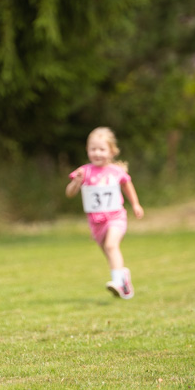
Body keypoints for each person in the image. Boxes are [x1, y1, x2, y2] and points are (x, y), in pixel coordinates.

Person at [65, 127, 144, 299]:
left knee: (111, 246)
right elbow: (69, 193)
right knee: (109, 252)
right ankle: (123, 278)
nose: (97, 153)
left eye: (102, 149)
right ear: (87, 150)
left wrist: (136, 204)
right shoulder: (84, 172)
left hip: (116, 217)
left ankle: (117, 283)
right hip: (96, 222)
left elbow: (127, 185)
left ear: (112, 151)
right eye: (93, 149)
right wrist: (77, 182)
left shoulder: (116, 171)